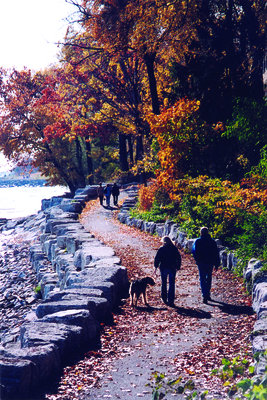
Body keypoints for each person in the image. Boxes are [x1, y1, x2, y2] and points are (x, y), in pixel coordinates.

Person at [192, 227, 220, 304]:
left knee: (202, 278)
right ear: (207, 233)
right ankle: (207, 293)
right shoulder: (212, 241)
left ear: (201, 233)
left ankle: (204, 294)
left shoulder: (198, 241)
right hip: (210, 262)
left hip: (201, 262)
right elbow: (216, 253)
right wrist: (217, 263)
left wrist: (197, 259)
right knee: (209, 277)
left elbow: (194, 251)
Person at [154, 236, 181, 306]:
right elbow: (179, 257)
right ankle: (171, 300)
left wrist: (156, 266)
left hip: (164, 267)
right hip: (172, 268)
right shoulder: (174, 248)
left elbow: (157, 258)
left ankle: (164, 298)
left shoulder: (162, 249)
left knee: (164, 283)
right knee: (172, 284)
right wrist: (178, 266)